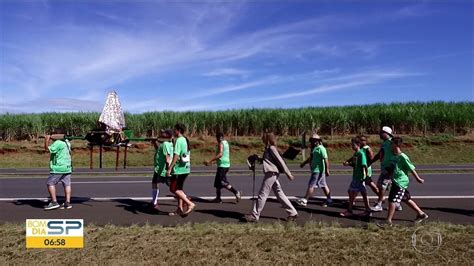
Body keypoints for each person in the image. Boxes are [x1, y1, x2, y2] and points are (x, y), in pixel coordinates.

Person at [244, 132, 298, 222]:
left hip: (271, 173)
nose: (262, 139)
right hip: (272, 174)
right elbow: (268, 161)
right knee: (279, 194)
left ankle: (255, 215)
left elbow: (280, 161)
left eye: (263, 137)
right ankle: (293, 213)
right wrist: (258, 158)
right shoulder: (268, 149)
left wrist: (288, 173)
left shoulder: (272, 148)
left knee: (263, 194)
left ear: (267, 139)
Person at [377, 137, 429, 227]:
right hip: (395, 180)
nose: (390, 145)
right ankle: (421, 214)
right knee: (406, 199)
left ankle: (388, 221)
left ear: (396, 145)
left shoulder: (402, 156)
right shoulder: (393, 156)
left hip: (400, 182)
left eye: (391, 144)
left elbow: (411, 168)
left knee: (392, 200)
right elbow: (393, 167)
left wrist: (418, 179)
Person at [369, 126, 402, 212]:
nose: (380, 134)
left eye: (381, 132)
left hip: (389, 168)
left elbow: (398, 154)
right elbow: (380, 153)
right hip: (385, 168)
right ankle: (397, 204)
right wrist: (370, 162)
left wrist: (393, 166)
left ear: (386, 133)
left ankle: (379, 204)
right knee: (391, 186)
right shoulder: (385, 143)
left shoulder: (391, 142)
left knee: (381, 186)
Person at [295, 134, 332, 207]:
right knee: (323, 185)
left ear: (318, 141)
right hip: (315, 170)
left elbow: (326, 159)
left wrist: (327, 170)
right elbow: (310, 158)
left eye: (314, 140)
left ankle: (305, 200)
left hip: (318, 170)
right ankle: (329, 200)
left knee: (311, 185)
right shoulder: (315, 149)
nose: (312, 142)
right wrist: (304, 163)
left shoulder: (321, 148)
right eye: (311, 140)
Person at [204, 132, 241, 203]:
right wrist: (213, 162)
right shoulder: (226, 142)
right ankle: (218, 198)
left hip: (222, 166)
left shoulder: (221, 143)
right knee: (217, 183)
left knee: (222, 182)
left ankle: (236, 192)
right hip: (225, 164)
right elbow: (224, 155)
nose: (217, 140)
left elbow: (220, 154)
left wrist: (210, 160)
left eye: (217, 138)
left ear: (219, 138)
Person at [166, 123, 195, 216]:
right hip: (186, 168)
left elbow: (176, 155)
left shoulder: (179, 140)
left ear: (178, 130)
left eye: (175, 129)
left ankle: (189, 203)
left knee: (173, 188)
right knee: (179, 189)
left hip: (179, 170)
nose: (174, 131)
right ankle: (179, 208)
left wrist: (170, 168)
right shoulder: (185, 140)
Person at [340, 137, 371, 217]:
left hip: (359, 178)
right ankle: (367, 210)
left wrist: (365, 176)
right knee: (362, 193)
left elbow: (364, 166)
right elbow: (355, 165)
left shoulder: (361, 154)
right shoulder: (356, 154)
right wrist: (348, 164)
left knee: (351, 192)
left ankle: (350, 210)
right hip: (356, 176)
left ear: (358, 145)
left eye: (353, 145)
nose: (351, 146)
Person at [44, 129, 73, 210]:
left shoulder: (58, 143)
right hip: (67, 167)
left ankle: (54, 202)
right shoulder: (67, 142)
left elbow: (47, 149)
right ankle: (67, 202)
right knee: (67, 184)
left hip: (58, 168)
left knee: (50, 183)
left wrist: (47, 139)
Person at [150, 129, 174, 210]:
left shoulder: (165, 144)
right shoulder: (166, 144)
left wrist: (168, 169)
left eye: (163, 133)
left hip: (162, 169)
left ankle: (184, 199)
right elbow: (159, 150)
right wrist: (154, 142)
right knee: (155, 183)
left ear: (167, 135)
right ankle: (154, 201)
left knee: (173, 188)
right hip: (160, 168)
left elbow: (167, 158)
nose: (161, 134)